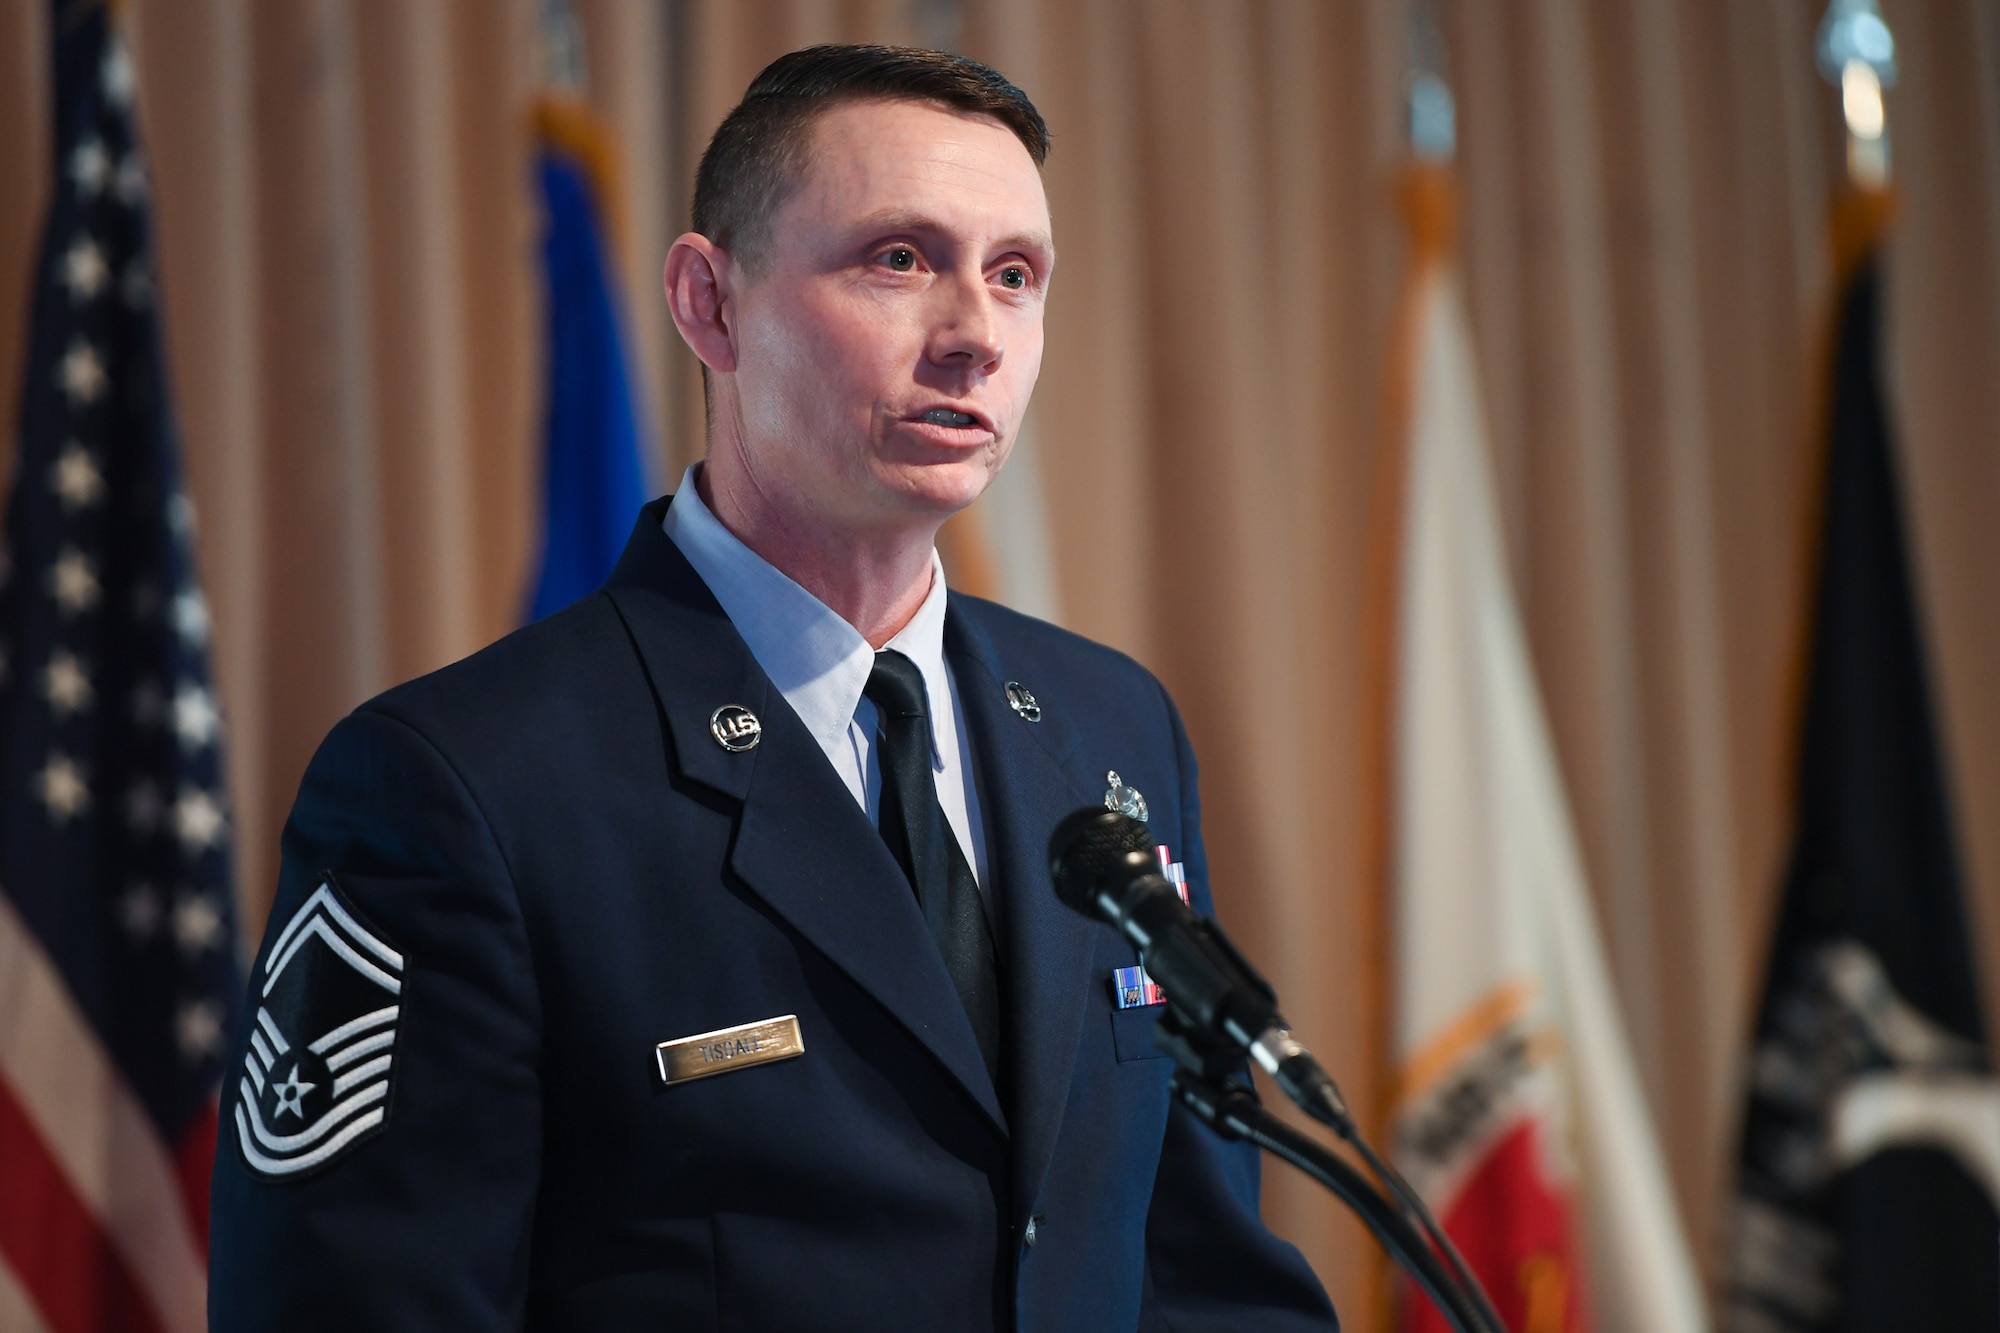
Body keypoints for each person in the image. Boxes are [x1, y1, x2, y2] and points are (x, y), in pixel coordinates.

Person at [209, 44, 1339, 1332]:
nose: (975, 334)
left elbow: (1198, 1275)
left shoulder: (1109, 726)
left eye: (1015, 276)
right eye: (899, 260)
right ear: (711, 304)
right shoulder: (461, 785)